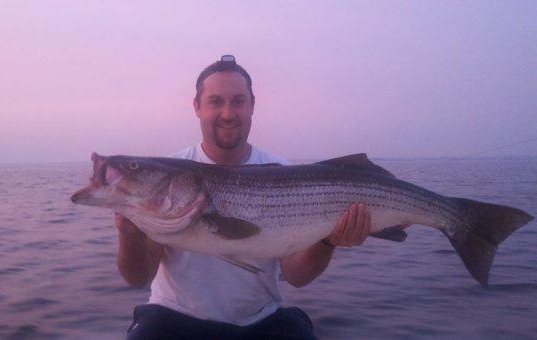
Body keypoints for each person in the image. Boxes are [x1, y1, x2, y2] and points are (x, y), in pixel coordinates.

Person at [117, 55, 371, 340]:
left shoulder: (285, 174)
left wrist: (327, 241)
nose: (228, 113)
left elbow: (297, 277)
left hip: (261, 320)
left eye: (238, 101)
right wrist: (129, 235)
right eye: (216, 101)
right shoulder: (167, 178)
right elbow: (137, 278)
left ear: (252, 106)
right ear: (197, 107)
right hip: (173, 317)